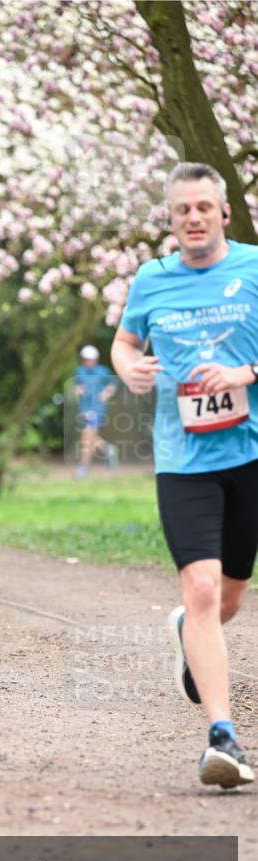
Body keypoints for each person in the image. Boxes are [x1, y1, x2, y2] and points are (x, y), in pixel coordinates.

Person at [111, 162, 258, 790]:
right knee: (200, 590)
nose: (193, 218)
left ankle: (186, 632)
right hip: (184, 463)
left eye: (203, 207)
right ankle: (222, 737)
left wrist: (245, 373)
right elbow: (123, 341)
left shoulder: (253, 267)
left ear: (224, 212)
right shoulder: (152, 279)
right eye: (181, 211)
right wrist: (128, 369)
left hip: (250, 457)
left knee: (226, 598)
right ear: (171, 220)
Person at [73, 345, 118, 478]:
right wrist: (78, 390)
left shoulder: (103, 371)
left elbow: (113, 384)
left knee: (86, 438)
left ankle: (83, 468)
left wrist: (106, 394)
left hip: (97, 409)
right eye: (86, 359)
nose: (89, 361)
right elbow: (76, 387)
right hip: (84, 409)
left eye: (91, 359)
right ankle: (107, 449)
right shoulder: (79, 371)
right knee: (90, 438)